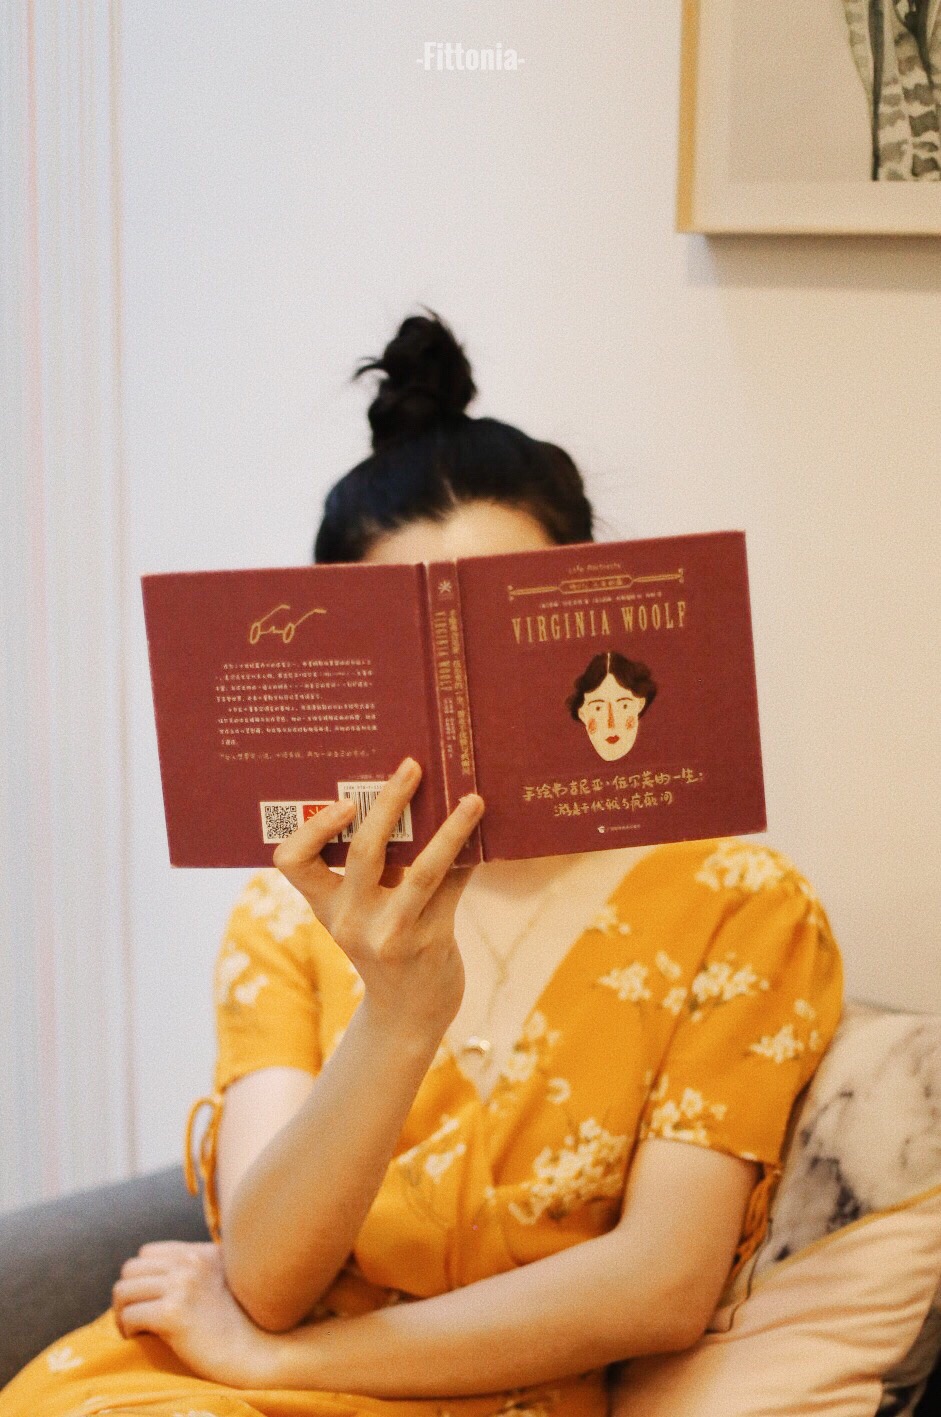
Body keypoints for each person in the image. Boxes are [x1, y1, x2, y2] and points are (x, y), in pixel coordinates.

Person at [0, 313, 843, 1417]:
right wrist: (399, 1014)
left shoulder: (738, 905)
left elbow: (659, 1285)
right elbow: (264, 1280)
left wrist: (283, 1364)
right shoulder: (286, 912)